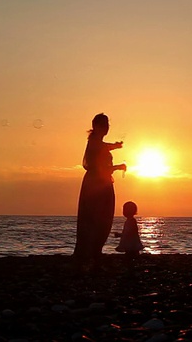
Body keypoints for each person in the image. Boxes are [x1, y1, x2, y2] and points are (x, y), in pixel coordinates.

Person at [73, 113, 126, 268]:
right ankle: (92, 252)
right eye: (104, 124)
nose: (107, 127)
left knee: (102, 217)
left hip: (101, 183)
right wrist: (117, 166)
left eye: (108, 124)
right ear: (96, 126)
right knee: (96, 217)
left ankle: (94, 251)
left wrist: (115, 146)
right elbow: (99, 165)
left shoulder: (96, 142)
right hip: (96, 185)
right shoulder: (95, 143)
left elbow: (103, 148)